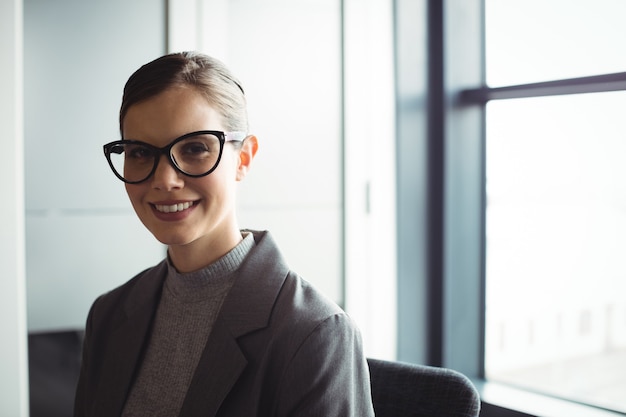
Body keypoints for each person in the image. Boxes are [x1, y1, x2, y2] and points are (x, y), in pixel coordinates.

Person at [73, 51, 375, 417]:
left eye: (195, 148)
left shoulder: (315, 334)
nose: (165, 180)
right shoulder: (109, 314)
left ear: (243, 158)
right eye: (140, 152)